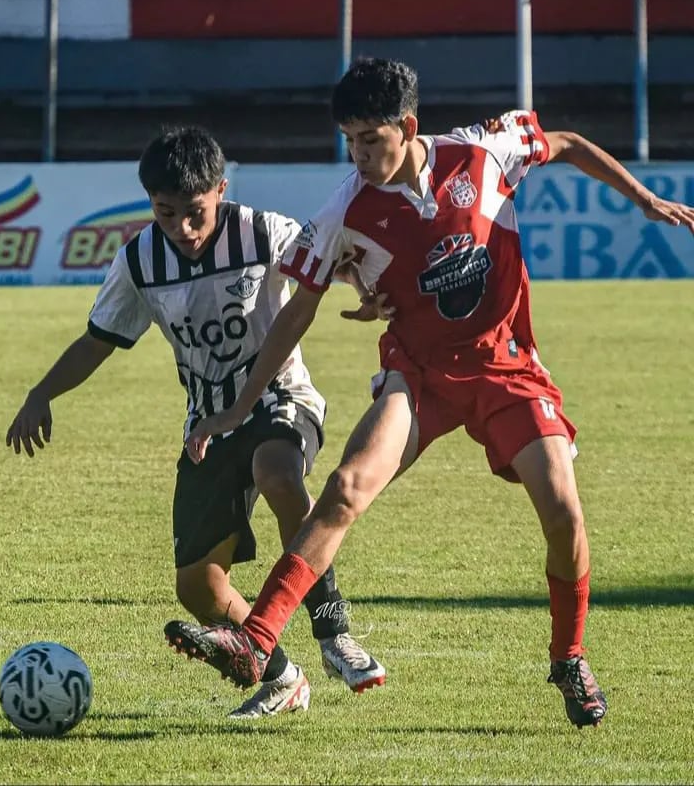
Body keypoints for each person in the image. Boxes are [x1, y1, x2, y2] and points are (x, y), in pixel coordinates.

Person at [163, 58, 694, 729]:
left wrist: (642, 199)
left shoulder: (481, 152)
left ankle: (569, 657)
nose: (358, 155)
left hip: (505, 365)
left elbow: (566, 144)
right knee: (347, 487)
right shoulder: (345, 209)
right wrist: (241, 406)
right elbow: (297, 309)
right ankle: (257, 637)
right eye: (349, 141)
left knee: (563, 512)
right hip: (417, 374)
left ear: (408, 127)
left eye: (370, 140)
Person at [5, 125, 386, 720]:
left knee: (278, 468)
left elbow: (336, 258)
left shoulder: (263, 231)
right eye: (166, 213)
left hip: (283, 398)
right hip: (208, 425)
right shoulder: (139, 260)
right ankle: (281, 676)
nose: (182, 228)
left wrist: (367, 286)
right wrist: (41, 392)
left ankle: (332, 626)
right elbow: (98, 340)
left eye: (195, 212)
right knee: (198, 590)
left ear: (221, 189)